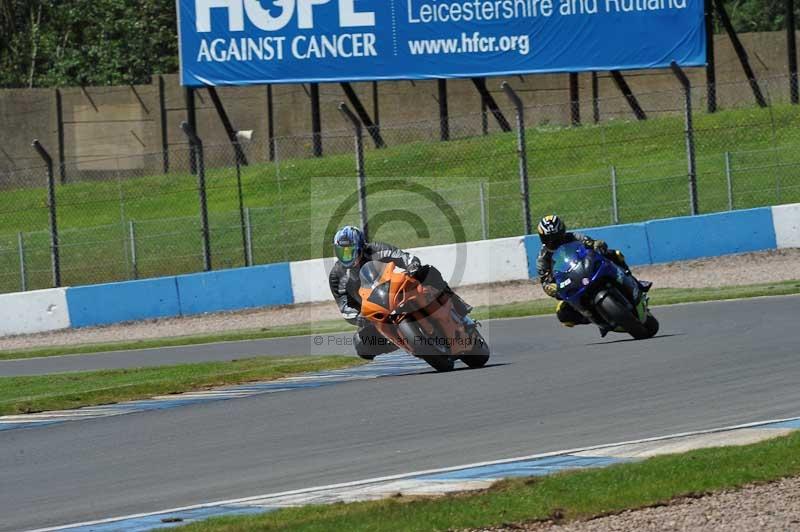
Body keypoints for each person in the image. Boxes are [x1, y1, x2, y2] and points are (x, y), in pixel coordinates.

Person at [328, 225, 473, 359]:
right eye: (341, 251)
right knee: (360, 343)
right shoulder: (337, 275)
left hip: (395, 292)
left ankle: (458, 305)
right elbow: (344, 307)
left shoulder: (376, 249)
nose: (345, 256)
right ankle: (403, 342)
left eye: (349, 250)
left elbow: (403, 257)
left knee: (427, 272)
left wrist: (412, 265)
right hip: (374, 313)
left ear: (360, 246)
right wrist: (359, 317)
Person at [535, 215, 651, 336]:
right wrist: (550, 287)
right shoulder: (542, 258)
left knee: (614, 254)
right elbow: (545, 280)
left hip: (586, 268)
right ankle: (594, 318)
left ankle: (635, 282)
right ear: (542, 239)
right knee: (562, 314)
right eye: (549, 239)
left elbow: (588, 242)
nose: (554, 242)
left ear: (563, 232)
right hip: (569, 282)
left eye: (557, 237)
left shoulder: (573, 237)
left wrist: (596, 244)